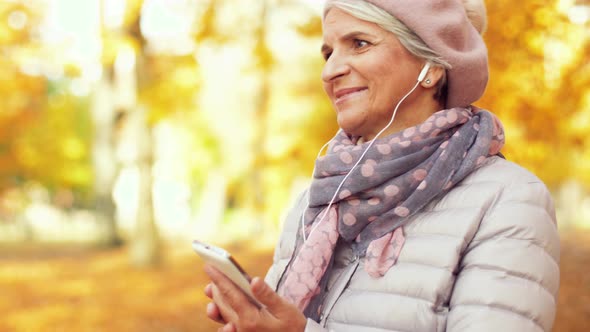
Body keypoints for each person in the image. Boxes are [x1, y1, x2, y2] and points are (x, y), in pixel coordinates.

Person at [203, 0, 560, 331]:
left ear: (431, 66)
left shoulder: (509, 201)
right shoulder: (319, 199)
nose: (330, 71)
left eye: (359, 43)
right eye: (328, 52)